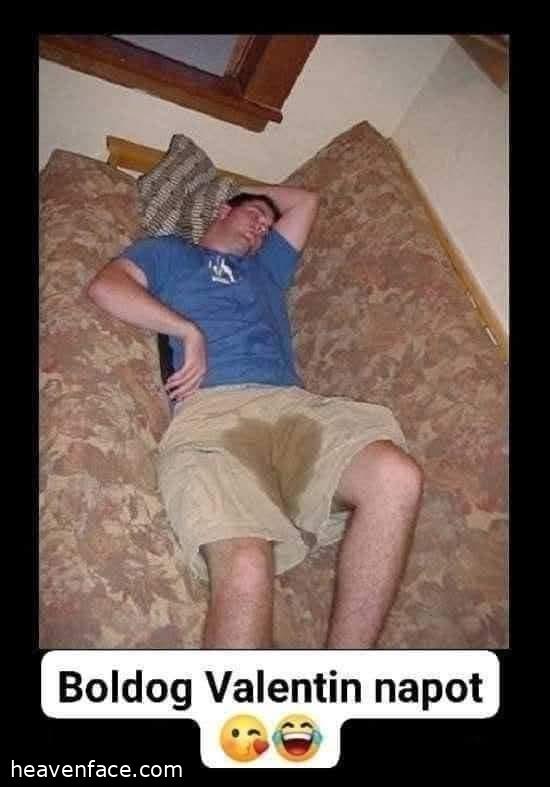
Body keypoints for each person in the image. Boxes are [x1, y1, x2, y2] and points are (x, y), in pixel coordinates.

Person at [87, 183, 424, 649]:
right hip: (213, 416)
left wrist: (251, 200)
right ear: (223, 210)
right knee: (246, 564)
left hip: (291, 410)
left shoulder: (266, 268)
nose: (263, 229)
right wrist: (187, 330)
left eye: (268, 225)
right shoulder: (169, 252)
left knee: (396, 476)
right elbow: (105, 286)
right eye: (254, 217)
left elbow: (307, 201)